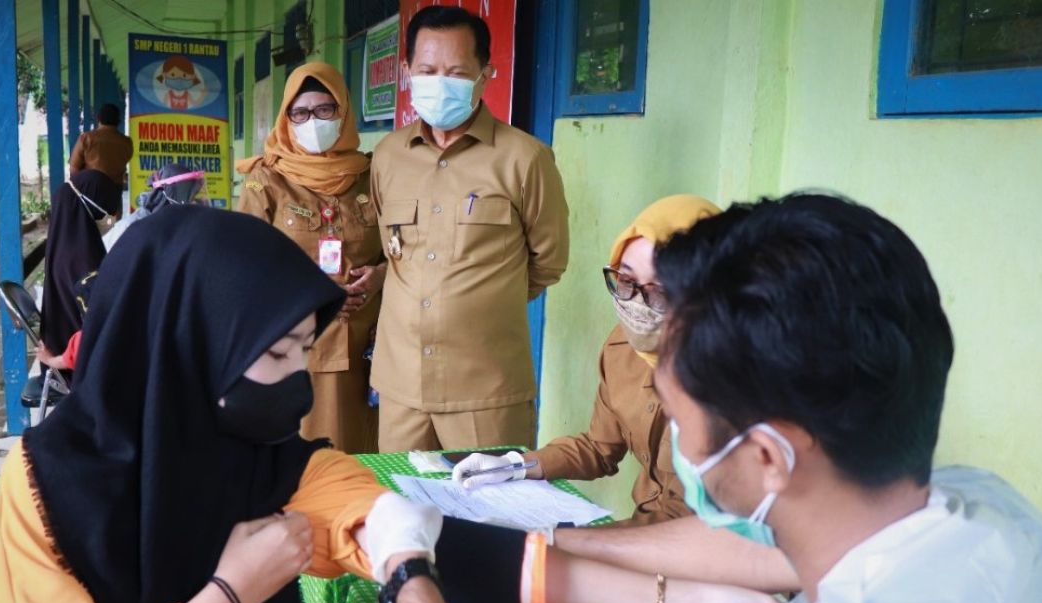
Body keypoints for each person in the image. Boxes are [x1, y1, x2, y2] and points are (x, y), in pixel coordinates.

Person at [373, 193, 1042, 603]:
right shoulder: (986, 511)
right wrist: (556, 537)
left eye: (681, 423)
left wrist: (406, 569)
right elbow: (753, 551)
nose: (680, 445)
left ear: (768, 457)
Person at [0, 206, 436, 603]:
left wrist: (390, 526)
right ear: (188, 342)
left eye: (304, 352)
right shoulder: (45, 494)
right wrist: (226, 601)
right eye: (278, 354)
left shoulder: (241, 449)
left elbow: (335, 491)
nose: (300, 384)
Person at [370, 6, 569, 452]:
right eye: (428, 70)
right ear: (407, 72)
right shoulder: (387, 157)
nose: (440, 82)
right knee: (403, 513)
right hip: (402, 386)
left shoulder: (525, 159)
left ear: (486, 73)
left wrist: (482, 304)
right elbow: (393, 249)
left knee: (490, 517)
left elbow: (549, 260)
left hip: (487, 391)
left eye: (457, 71)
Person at [452, 196, 719, 526]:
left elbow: (690, 522)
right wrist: (515, 465)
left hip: (692, 551)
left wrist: (566, 545)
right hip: (641, 533)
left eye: (659, 292)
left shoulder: (729, 381)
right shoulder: (622, 348)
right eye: (625, 281)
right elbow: (598, 447)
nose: (635, 303)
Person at [237, 62, 382, 455]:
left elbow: (403, 248)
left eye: (324, 110)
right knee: (309, 461)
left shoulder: (374, 175)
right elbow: (244, 267)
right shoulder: (266, 180)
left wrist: (381, 275)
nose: (312, 121)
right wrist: (315, 291)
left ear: (344, 111)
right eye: (300, 113)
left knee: (367, 457)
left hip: (370, 346)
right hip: (297, 345)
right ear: (287, 118)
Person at [36, 162, 207, 373]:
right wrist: (57, 361)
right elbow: (103, 327)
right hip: (94, 365)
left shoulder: (74, 250)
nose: (113, 215)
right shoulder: (85, 264)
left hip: (87, 354)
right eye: (190, 195)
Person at [40, 168, 121, 363]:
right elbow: (101, 333)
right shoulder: (84, 260)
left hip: (64, 357)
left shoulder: (63, 248)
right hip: (82, 370)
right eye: (107, 205)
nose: (112, 216)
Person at [69, 102, 134, 186]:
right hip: (114, 191)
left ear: (98, 119)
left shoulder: (86, 138)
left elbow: (74, 168)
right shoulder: (126, 142)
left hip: (90, 189)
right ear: (118, 121)